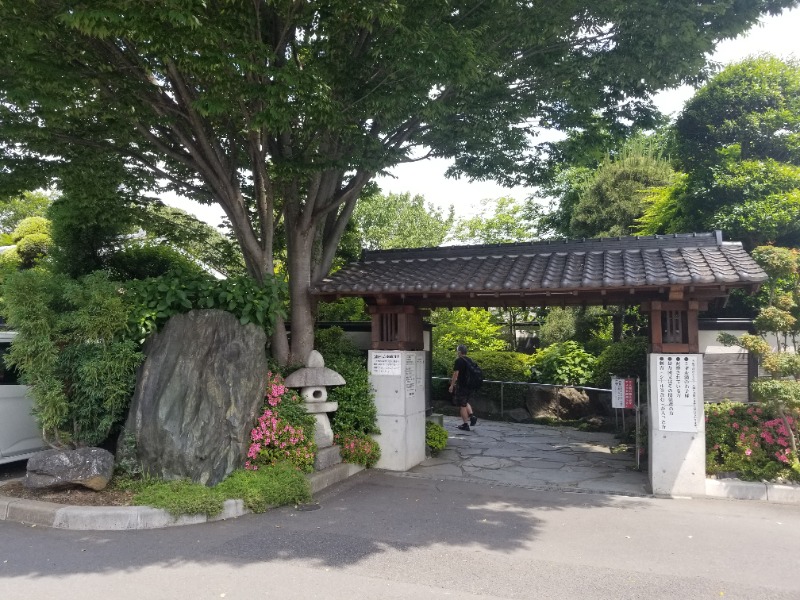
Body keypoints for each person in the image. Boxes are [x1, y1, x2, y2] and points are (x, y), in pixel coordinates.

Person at [449, 344, 478, 431]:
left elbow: (455, 374)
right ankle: (472, 416)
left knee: (462, 405)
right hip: (470, 386)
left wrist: (452, 385)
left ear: (459, 352)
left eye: (457, 351)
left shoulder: (459, 360)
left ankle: (465, 424)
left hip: (462, 386)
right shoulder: (470, 360)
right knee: (465, 401)